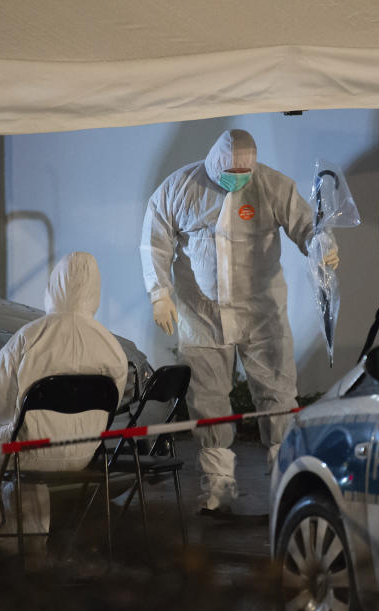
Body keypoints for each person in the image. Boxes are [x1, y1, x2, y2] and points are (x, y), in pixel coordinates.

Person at [140, 129, 339, 514]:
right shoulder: (180, 187)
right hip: (202, 315)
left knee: (278, 397)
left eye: (243, 170)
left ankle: (285, 486)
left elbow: (306, 225)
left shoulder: (271, 184)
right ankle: (217, 489)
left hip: (262, 313)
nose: (237, 177)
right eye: (230, 170)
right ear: (215, 161)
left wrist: (321, 245)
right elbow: (154, 241)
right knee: (208, 400)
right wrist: (159, 294)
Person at [0, 251, 127, 554]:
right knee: (25, 454)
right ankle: (33, 550)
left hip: (29, 451)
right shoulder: (112, 346)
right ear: (95, 291)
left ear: (53, 287)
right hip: (84, 454)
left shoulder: (29, 337)